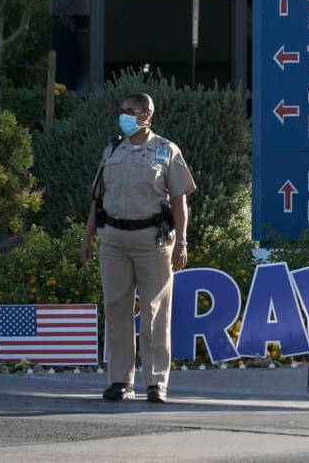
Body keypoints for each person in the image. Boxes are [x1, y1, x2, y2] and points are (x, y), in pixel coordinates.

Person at [80, 93, 196, 403]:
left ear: (147, 114)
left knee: (155, 312)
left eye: (130, 112)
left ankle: (156, 383)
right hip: (114, 239)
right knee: (116, 309)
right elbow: (97, 198)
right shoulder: (113, 148)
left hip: (152, 241)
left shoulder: (166, 150)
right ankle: (120, 381)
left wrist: (182, 241)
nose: (124, 117)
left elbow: (179, 201)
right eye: (122, 111)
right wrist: (87, 238)